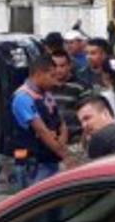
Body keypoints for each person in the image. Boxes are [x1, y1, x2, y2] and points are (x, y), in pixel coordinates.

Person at [10, 54, 71, 186]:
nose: (55, 81)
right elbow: (41, 130)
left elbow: (61, 123)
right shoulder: (23, 97)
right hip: (34, 164)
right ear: (38, 74)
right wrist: (64, 155)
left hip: (50, 158)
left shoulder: (46, 94)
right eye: (52, 76)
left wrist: (61, 143)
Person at [49, 51, 84, 141]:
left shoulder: (81, 87)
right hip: (51, 138)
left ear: (69, 66)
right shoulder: (45, 87)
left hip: (75, 137)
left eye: (62, 66)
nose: (58, 70)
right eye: (55, 66)